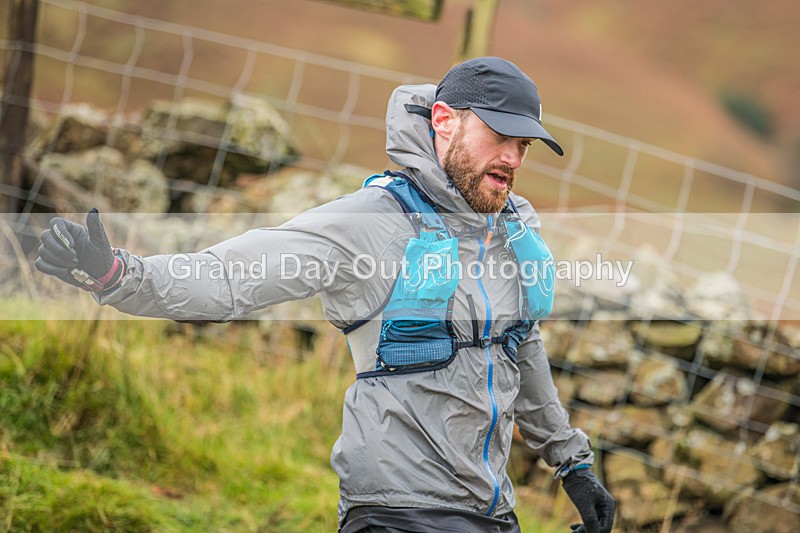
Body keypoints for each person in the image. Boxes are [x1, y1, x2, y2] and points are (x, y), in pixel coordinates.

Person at [36, 57, 615, 533]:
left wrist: (572, 463)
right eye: (498, 136)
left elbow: (520, 344)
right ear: (443, 120)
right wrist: (116, 274)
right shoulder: (367, 222)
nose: (513, 159)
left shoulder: (509, 230)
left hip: (490, 511)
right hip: (394, 509)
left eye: (524, 145)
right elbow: (229, 277)